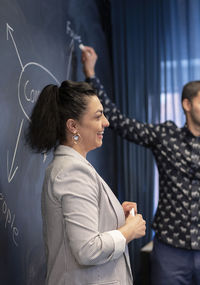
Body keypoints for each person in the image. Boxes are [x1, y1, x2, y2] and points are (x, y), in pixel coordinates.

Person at [81, 46, 200, 285]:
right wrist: (91, 75)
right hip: (170, 251)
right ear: (187, 105)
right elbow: (118, 121)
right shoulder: (166, 135)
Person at [25, 79, 146, 285]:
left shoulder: (74, 167)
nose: (106, 122)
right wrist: (128, 231)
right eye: (98, 116)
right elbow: (87, 249)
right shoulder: (73, 171)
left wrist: (116, 214)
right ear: (73, 126)